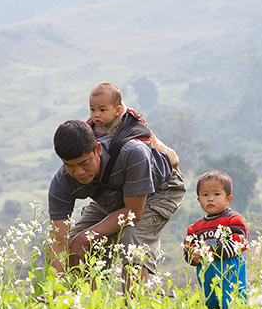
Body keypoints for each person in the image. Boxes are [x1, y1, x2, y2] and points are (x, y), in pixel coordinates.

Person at [47, 119, 185, 294]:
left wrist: (85, 237)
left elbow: (133, 213)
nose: (78, 172)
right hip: (115, 198)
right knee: (74, 247)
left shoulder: (133, 153)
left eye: (84, 163)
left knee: (132, 237)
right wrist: (56, 291)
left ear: (97, 149)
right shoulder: (62, 183)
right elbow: (57, 241)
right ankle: (83, 308)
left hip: (158, 191)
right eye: (70, 166)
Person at [183, 170, 249, 309]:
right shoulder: (195, 227)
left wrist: (208, 248)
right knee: (211, 304)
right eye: (205, 195)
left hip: (230, 269)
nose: (210, 199)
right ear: (198, 199)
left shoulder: (233, 219)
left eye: (216, 194)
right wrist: (193, 254)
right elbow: (188, 247)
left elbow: (240, 242)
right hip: (207, 271)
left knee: (232, 303)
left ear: (228, 199)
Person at [86, 81, 181, 175]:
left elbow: (146, 138)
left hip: (146, 148)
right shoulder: (91, 126)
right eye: (92, 109)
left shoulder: (130, 122)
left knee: (168, 155)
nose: (96, 115)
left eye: (102, 110)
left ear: (117, 110)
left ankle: (175, 167)